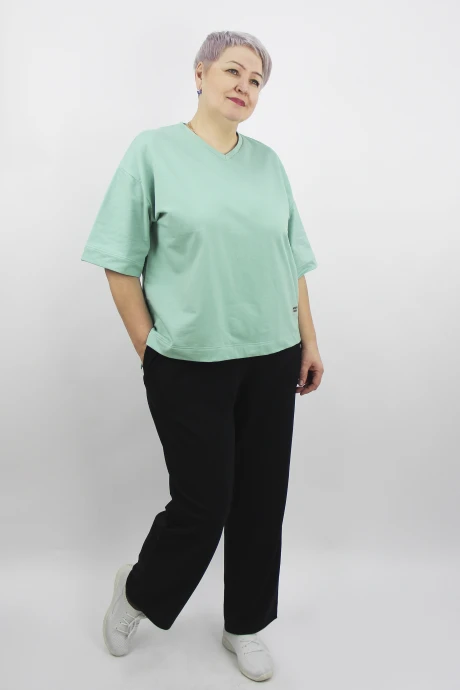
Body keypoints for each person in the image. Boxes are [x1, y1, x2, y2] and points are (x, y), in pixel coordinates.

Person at [81, 29, 324, 683]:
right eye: (233, 71)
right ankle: (137, 592)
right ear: (200, 73)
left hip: (272, 354)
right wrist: (151, 349)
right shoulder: (153, 152)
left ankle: (245, 623)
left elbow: (292, 259)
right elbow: (119, 262)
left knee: (261, 499)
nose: (245, 86)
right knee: (203, 502)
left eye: (256, 80)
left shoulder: (268, 163)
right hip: (187, 360)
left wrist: (308, 338)